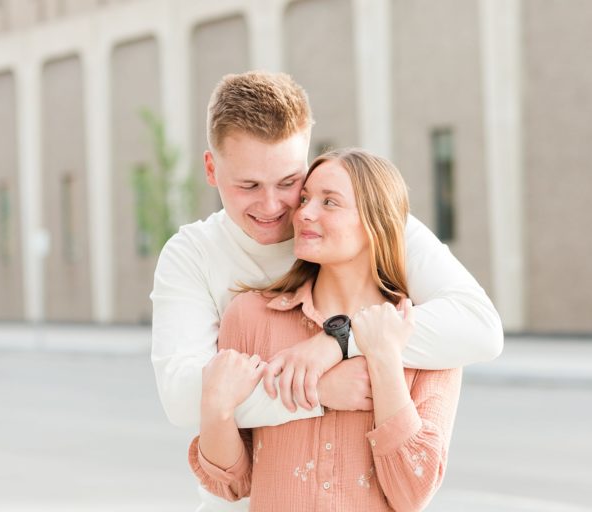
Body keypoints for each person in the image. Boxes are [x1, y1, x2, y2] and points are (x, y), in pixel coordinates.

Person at [150, 71, 501, 509]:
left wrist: (338, 341)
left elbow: (481, 329)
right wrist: (319, 390)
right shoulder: (196, 258)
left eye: (288, 182)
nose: (277, 207)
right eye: (248, 186)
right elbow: (186, 402)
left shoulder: (374, 222)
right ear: (211, 169)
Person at [190, 148, 462, 511]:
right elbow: (232, 484)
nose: (303, 212)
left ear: (375, 223)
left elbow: (413, 490)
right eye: (305, 198)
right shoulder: (250, 316)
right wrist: (216, 410)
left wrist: (383, 358)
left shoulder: (427, 334)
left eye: (329, 202)